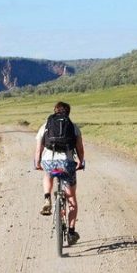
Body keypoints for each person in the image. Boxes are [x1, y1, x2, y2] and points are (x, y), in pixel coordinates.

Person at [34, 101, 85, 244]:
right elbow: (80, 149)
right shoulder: (73, 127)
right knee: (72, 199)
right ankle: (71, 232)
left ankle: (47, 198)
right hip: (66, 164)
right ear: (68, 113)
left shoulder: (45, 126)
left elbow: (39, 149)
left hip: (49, 163)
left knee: (48, 173)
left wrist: (37, 163)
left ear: (55, 111)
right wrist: (80, 162)